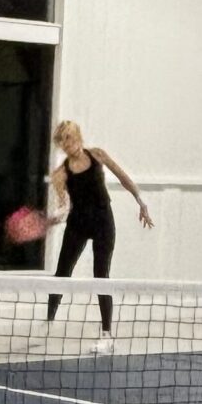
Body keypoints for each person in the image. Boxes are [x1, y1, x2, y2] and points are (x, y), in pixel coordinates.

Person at [43, 120, 152, 351]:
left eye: (69, 137)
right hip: (78, 224)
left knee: (101, 276)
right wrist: (56, 216)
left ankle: (106, 334)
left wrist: (140, 201)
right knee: (62, 272)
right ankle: (48, 321)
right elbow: (64, 205)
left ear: (77, 136)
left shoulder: (98, 155)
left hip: (103, 222)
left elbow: (122, 177)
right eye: (62, 141)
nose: (67, 143)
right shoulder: (60, 174)